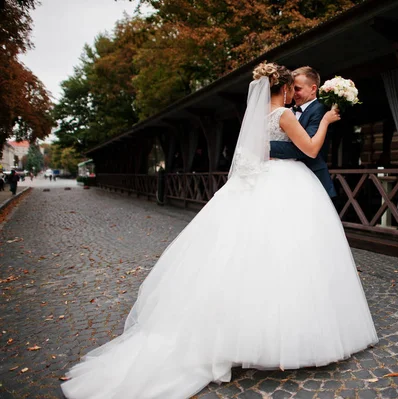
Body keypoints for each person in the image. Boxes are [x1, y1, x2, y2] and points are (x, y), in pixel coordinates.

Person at [61, 62, 378, 399]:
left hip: (259, 183)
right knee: (287, 255)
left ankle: (236, 330)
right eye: (290, 88)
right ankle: (284, 334)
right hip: (287, 184)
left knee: (245, 254)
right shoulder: (285, 116)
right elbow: (311, 149)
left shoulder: (255, 118)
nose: (292, 93)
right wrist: (327, 120)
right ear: (283, 88)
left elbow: (259, 151)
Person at [270, 66, 337, 198]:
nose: (293, 93)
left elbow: (305, 148)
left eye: (297, 89)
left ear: (313, 89)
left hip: (313, 178)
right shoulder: (287, 111)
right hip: (289, 178)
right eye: (291, 88)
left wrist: (267, 146)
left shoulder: (320, 110)